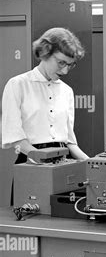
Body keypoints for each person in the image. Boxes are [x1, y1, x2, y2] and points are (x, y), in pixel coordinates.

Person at [2, 27, 89, 163]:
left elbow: (70, 142)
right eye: (61, 62)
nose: (65, 71)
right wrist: (42, 159)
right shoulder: (18, 85)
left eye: (70, 65)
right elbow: (15, 137)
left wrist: (93, 163)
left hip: (63, 162)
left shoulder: (67, 91)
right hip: (30, 161)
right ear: (45, 53)